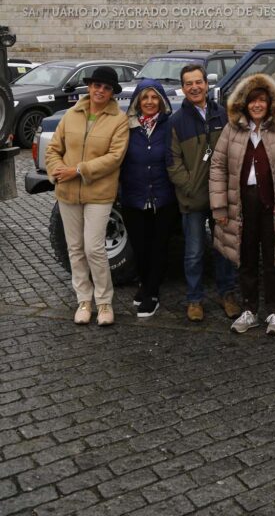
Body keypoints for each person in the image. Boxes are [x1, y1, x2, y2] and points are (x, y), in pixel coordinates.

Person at [209, 73, 275, 336]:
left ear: (271, 103)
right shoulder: (232, 130)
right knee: (246, 259)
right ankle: (249, 310)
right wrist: (220, 207)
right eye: (252, 101)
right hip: (241, 205)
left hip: (273, 205)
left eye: (262, 100)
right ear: (244, 104)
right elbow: (217, 167)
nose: (257, 105)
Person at [45, 65, 129, 327]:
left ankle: (104, 302)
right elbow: (53, 149)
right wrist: (56, 172)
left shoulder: (119, 119)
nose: (100, 90)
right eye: (96, 85)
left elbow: (115, 157)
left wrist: (78, 170)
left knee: (94, 248)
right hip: (67, 192)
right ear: (89, 87)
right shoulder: (71, 114)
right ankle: (84, 300)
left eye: (106, 87)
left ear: (112, 92)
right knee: (75, 249)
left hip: (99, 193)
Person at [166, 64, 239, 323]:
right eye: (189, 83)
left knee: (224, 249)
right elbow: (172, 162)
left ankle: (227, 294)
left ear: (207, 85)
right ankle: (194, 299)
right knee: (194, 252)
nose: (195, 87)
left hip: (221, 198)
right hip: (193, 199)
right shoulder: (176, 121)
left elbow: (234, 151)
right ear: (183, 88)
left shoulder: (223, 115)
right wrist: (189, 186)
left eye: (199, 82)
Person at [119, 78, 177, 319]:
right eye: (145, 97)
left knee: (159, 247)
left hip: (163, 197)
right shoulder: (127, 127)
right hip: (134, 196)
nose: (150, 102)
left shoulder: (170, 125)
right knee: (140, 247)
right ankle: (144, 283)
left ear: (162, 101)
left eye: (155, 97)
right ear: (138, 101)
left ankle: (152, 293)